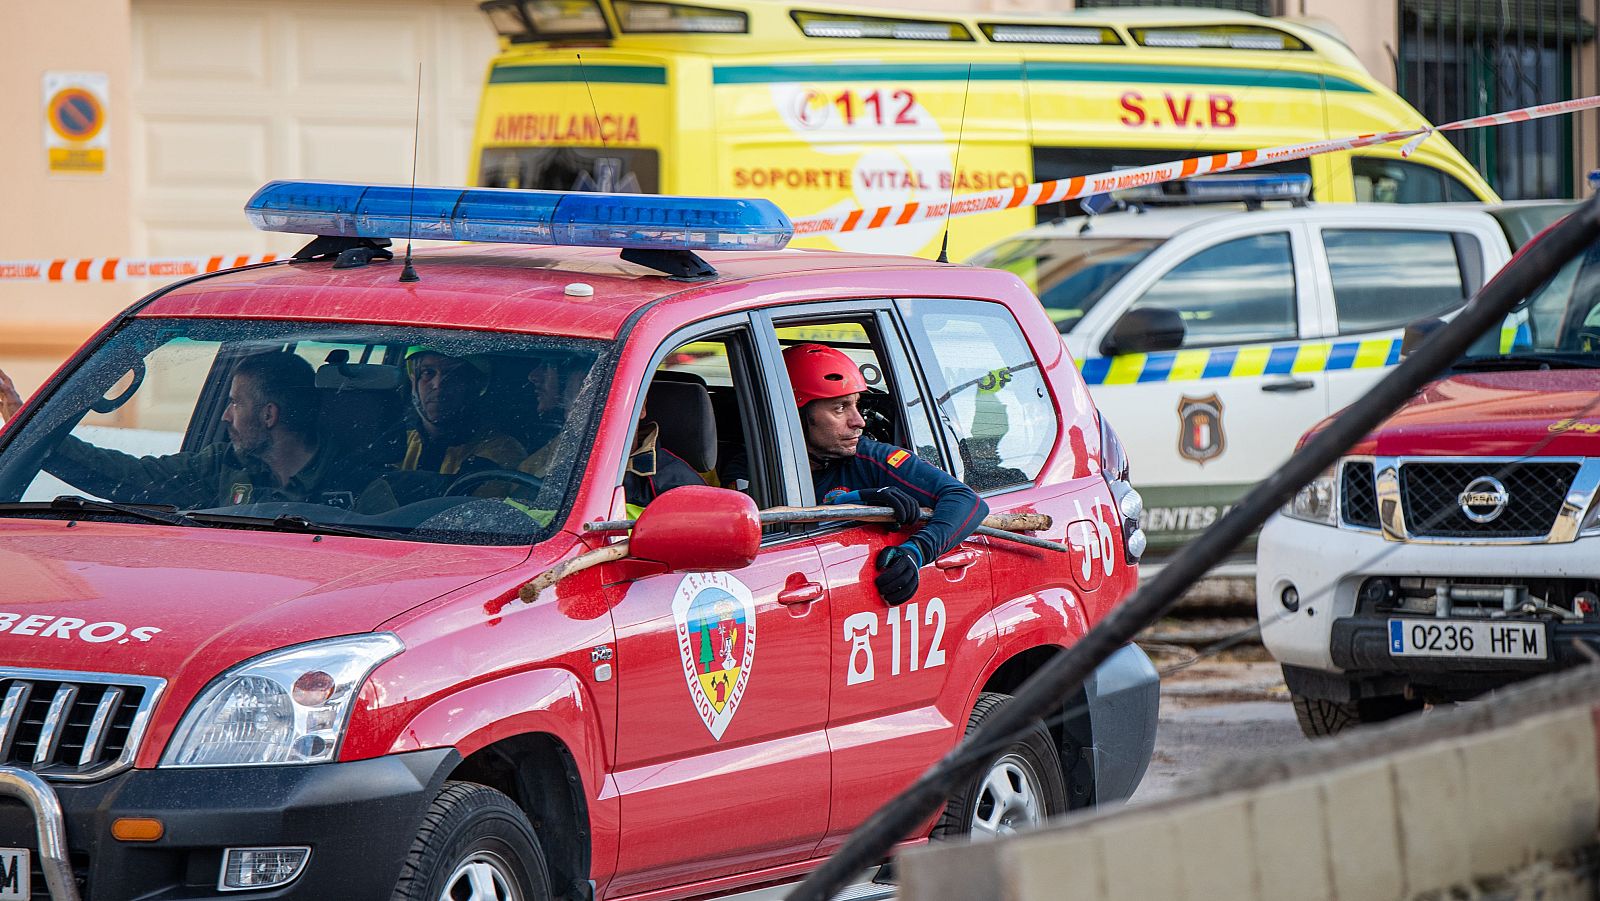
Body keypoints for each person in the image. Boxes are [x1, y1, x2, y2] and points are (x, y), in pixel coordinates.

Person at [0, 352, 368, 509]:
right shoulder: (221, 466)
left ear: (269, 415)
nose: (225, 416)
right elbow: (125, 477)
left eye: (235, 403)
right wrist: (31, 430)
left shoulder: (360, 482)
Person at [783, 343, 989, 607]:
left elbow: (966, 499)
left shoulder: (870, 456)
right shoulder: (746, 466)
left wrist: (916, 552)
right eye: (839, 408)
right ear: (795, 416)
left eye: (855, 405)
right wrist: (854, 501)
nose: (859, 421)